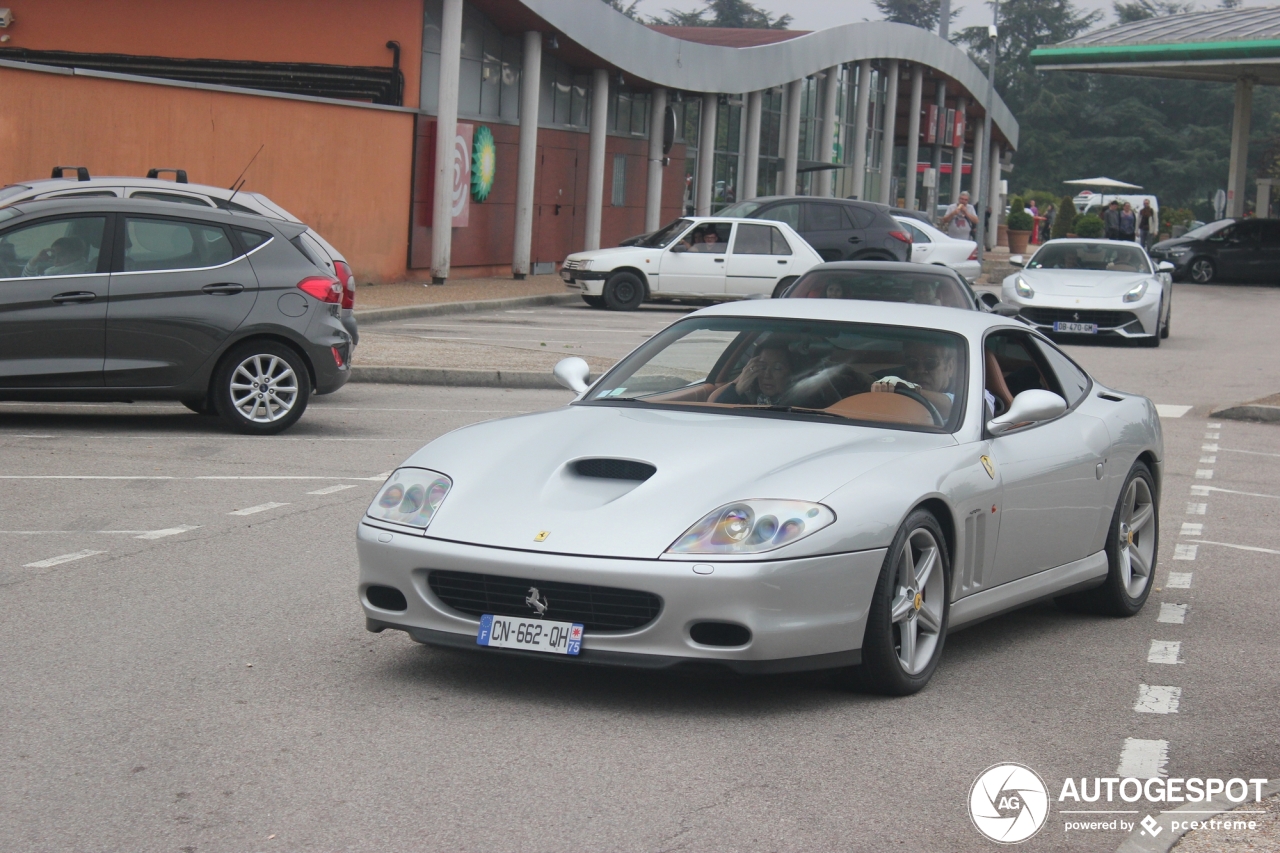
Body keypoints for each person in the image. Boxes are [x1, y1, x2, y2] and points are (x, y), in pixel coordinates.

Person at [870, 340, 957, 419]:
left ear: (950, 367)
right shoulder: (887, 377)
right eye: (912, 363)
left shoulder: (966, 389)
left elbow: (953, 408)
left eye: (930, 362)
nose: (920, 370)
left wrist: (910, 389)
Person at [713, 346, 793, 405]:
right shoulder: (747, 399)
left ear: (790, 372)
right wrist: (738, 388)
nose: (767, 375)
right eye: (762, 367)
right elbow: (716, 413)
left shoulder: (800, 403)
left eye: (777, 368)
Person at [21, 236, 91, 277]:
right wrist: (34, 260)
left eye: (62, 255)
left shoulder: (70, 276)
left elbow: (26, 285)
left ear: (75, 255)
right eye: (53, 256)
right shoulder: (60, 271)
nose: (56, 261)